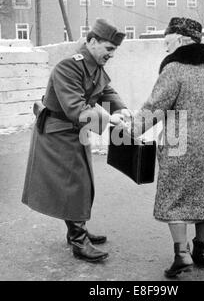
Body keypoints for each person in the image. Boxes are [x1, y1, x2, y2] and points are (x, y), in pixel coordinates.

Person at [126, 17, 204, 278]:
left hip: (180, 142)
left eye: (167, 41)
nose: (165, 47)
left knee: (175, 197)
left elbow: (155, 107)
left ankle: (182, 255)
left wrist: (131, 131)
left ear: (181, 39)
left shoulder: (174, 68)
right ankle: (202, 250)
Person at [22, 18, 130, 263]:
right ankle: (79, 241)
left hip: (73, 132)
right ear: (92, 42)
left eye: (114, 51)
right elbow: (77, 109)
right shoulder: (68, 67)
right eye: (109, 49)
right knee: (74, 184)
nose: (111, 55)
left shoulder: (93, 66)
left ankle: (76, 231)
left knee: (79, 183)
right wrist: (109, 120)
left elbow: (105, 91)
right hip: (57, 132)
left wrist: (120, 108)